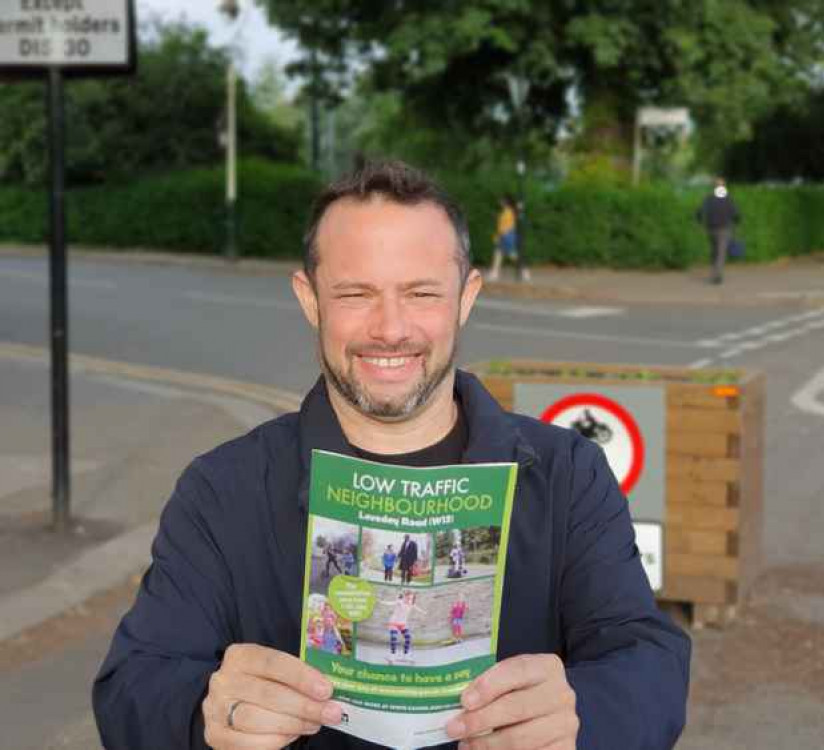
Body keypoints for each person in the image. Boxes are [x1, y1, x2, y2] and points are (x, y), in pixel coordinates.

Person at [92, 160, 691, 750]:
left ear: (466, 297)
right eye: (355, 293)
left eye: (421, 292)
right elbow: (133, 686)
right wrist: (204, 717)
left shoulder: (567, 473)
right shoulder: (223, 489)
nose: (390, 328)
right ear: (310, 300)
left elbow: (646, 658)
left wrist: (584, 718)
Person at [696, 176, 740, 285]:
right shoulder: (729, 199)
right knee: (720, 253)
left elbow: (699, 211)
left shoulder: (709, 198)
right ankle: (717, 276)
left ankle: (715, 273)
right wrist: (736, 223)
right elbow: (736, 214)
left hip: (711, 228)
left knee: (714, 252)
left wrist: (700, 222)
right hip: (724, 229)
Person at [487, 194, 527, 282]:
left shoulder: (510, 212)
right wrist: (498, 236)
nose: (500, 202)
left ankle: (524, 272)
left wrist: (520, 208)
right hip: (502, 235)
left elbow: (519, 217)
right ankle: (494, 273)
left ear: (506, 202)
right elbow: (501, 226)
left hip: (508, 236)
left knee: (512, 255)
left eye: (502, 200)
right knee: (498, 254)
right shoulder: (504, 212)